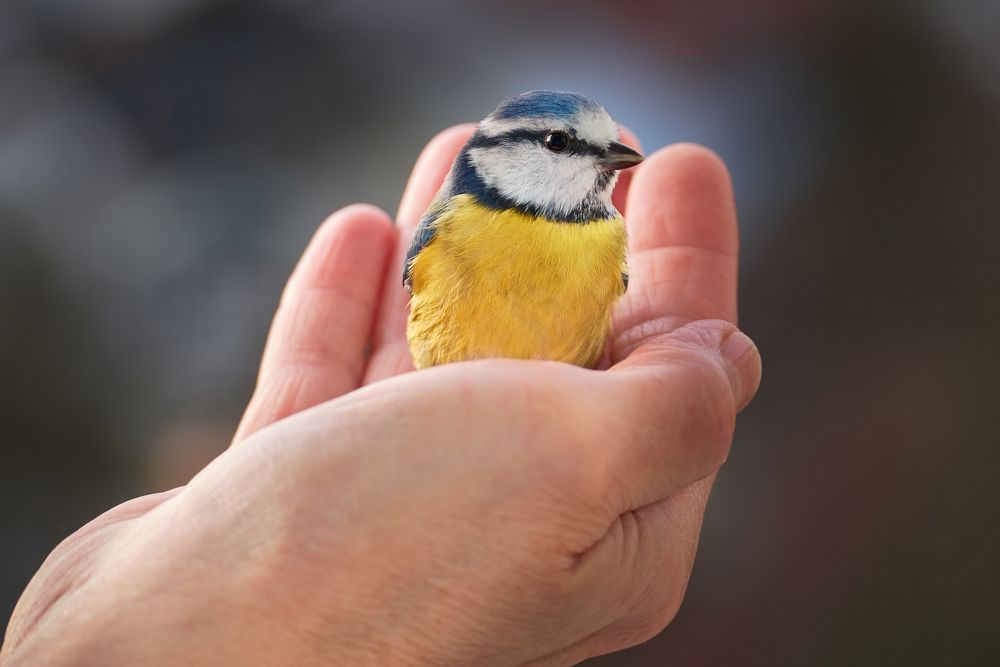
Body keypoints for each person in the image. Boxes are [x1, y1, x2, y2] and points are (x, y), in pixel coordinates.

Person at [0, 126, 761, 666]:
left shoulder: (605, 238)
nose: (606, 163)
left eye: (606, 150)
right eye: (565, 145)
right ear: (502, 157)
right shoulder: (453, 225)